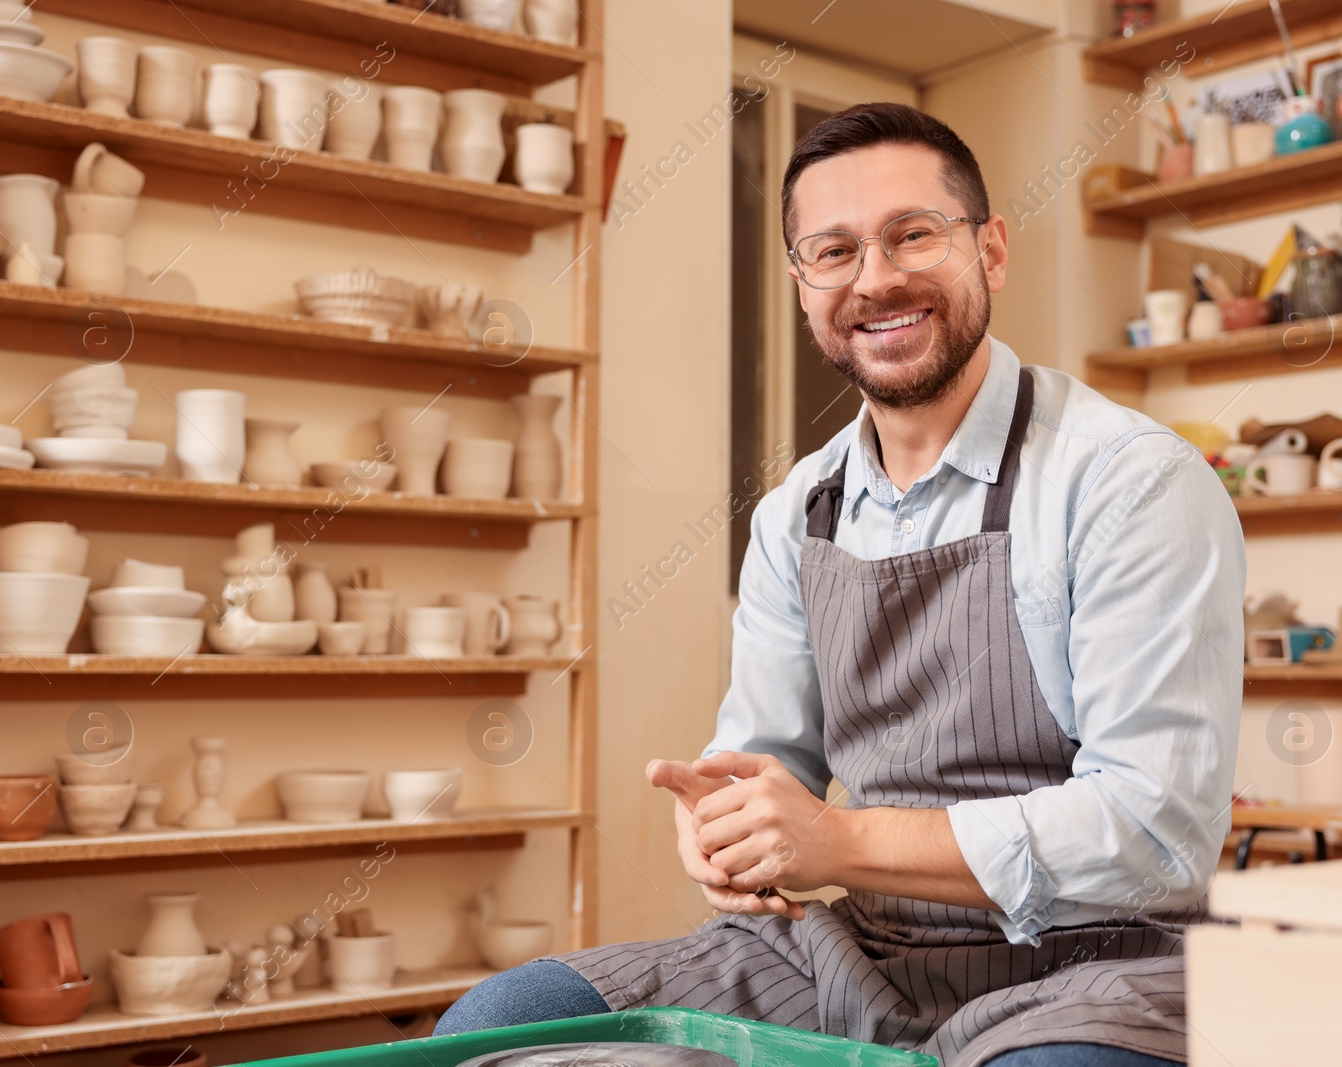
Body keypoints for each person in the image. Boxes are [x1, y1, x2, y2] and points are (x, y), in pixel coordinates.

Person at [436, 101, 1244, 1067]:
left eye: (914, 235)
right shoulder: (796, 511)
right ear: (802, 283)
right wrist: (724, 829)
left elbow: (1159, 830)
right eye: (835, 251)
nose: (877, 279)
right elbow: (763, 760)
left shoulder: (1127, 479)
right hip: (859, 958)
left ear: (989, 250)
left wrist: (834, 840)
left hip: (1103, 964)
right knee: (494, 1027)